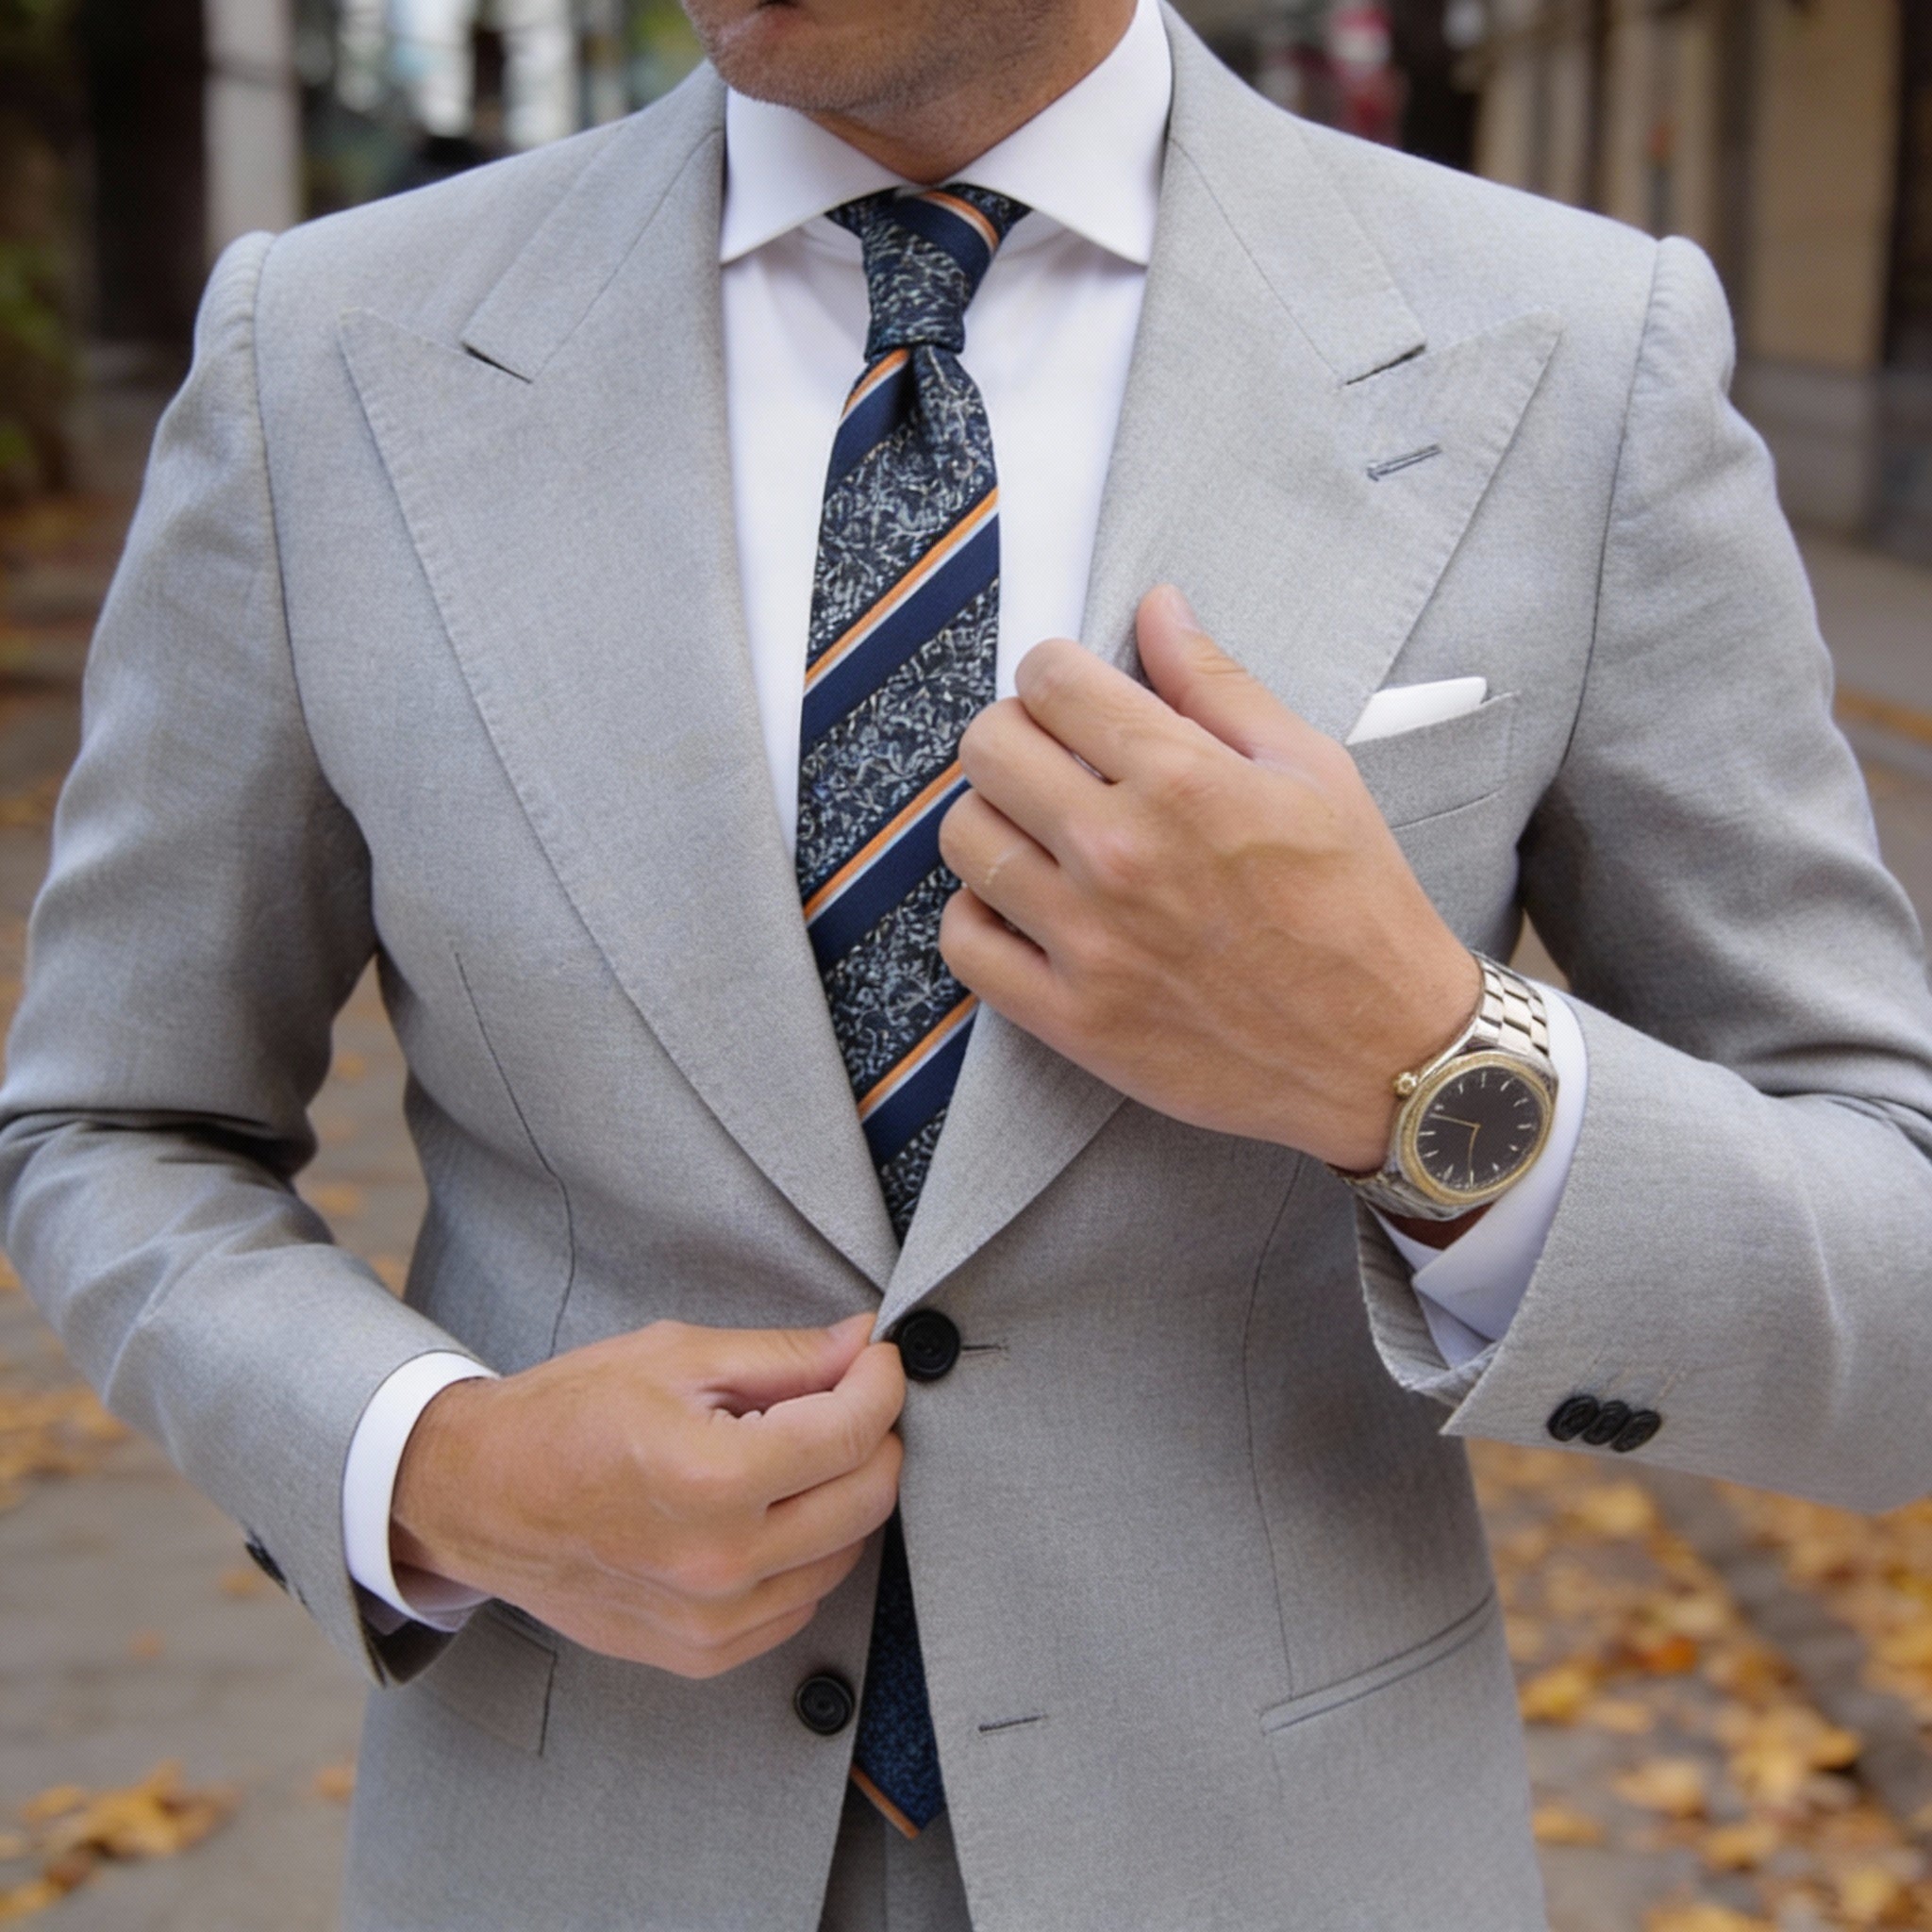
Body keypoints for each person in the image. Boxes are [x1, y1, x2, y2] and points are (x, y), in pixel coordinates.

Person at [5, 0, 1931, 1924]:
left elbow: (1895, 1281)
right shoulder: (324, 353)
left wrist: (1420, 1072)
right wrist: (433, 1469)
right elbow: (113, 1123)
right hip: (566, 1847)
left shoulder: (1575, 357)